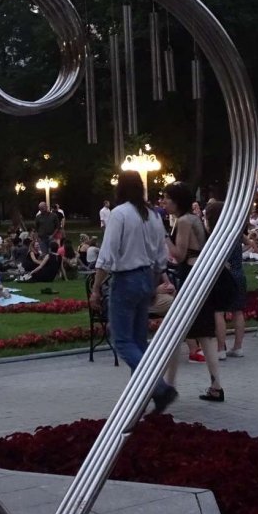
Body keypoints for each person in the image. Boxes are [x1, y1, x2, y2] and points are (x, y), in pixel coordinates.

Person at [89, 170, 176, 414]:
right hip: (147, 276)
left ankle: (159, 387)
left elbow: (107, 254)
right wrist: (155, 281)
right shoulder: (153, 215)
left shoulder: (120, 214)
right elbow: (161, 255)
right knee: (138, 341)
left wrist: (96, 288)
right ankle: (139, 397)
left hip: (126, 279)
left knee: (123, 341)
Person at [164, 181, 224, 402]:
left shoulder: (183, 221)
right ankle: (216, 385)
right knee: (204, 334)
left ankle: (169, 387)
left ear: (177, 201)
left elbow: (179, 254)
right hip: (201, 276)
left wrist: (164, 238)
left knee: (173, 332)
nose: (164, 202)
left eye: (167, 198)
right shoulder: (194, 218)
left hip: (191, 278)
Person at [206, 201, 247, 358]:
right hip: (239, 273)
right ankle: (238, 347)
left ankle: (220, 348)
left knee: (218, 312)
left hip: (223, 275)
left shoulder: (217, 234)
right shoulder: (235, 231)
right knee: (238, 311)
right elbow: (248, 243)